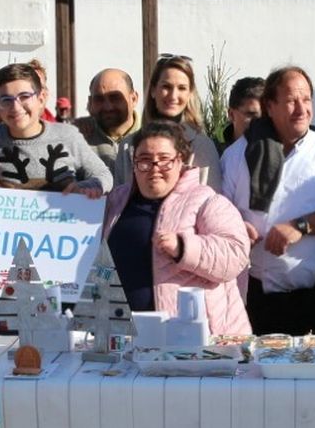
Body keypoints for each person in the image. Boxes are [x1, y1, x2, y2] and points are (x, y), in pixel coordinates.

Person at [220, 66, 315, 334]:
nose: (301, 109)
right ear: (269, 106)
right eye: (290, 100)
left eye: (306, 99)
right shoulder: (237, 155)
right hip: (256, 302)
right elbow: (221, 210)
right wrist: (237, 227)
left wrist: (300, 226)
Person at [102, 121, 251, 336]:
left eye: (164, 160)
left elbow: (236, 254)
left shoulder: (206, 201)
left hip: (197, 341)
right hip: (126, 338)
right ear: (134, 164)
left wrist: (184, 247)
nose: (154, 168)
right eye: (145, 160)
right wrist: (86, 190)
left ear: (180, 161)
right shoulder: (116, 202)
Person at [0, 61, 112, 195]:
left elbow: (103, 175)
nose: (16, 107)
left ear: (41, 99)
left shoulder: (67, 136)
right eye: (6, 100)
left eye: (24, 96)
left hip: (63, 215)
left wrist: (85, 188)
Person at [113, 55, 221, 190]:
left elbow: (211, 202)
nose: (173, 96)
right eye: (166, 87)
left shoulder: (201, 146)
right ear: (153, 90)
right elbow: (118, 202)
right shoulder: (127, 146)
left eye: (182, 88)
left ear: (190, 93)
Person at [74, 68, 140, 165]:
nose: (107, 107)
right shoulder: (79, 139)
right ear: (91, 102)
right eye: (99, 99)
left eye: (115, 98)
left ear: (133, 99)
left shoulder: (153, 136)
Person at [218, 76, 265, 154]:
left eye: (265, 116)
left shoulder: (282, 156)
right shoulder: (214, 157)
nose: (260, 122)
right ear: (231, 114)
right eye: (251, 115)